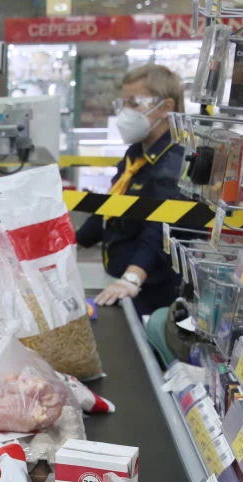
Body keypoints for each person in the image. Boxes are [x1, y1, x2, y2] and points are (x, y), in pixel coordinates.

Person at [78, 64, 187, 315]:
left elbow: (161, 227)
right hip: (120, 284)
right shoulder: (137, 153)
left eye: (134, 102)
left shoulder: (174, 162)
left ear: (166, 108)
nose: (125, 113)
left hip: (151, 293)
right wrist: (72, 241)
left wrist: (133, 277)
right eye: (123, 103)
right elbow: (111, 206)